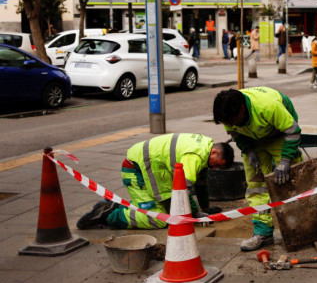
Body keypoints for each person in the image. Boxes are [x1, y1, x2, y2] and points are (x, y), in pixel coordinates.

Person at [76, 134, 234, 230]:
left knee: (160, 207)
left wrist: (205, 208)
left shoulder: (204, 146)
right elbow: (182, 192)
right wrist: (194, 215)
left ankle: (117, 204)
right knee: (158, 219)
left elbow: (201, 184)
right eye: (216, 164)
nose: (214, 168)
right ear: (214, 151)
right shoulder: (196, 156)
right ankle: (109, 216)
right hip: (137, 171)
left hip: (147, 167)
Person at [212, 88, 302, 251]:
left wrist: (285, 161)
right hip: (253, 140)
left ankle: (301, 228)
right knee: (256, 187)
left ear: (241, 109)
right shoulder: (228, 114)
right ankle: (263, 233)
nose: (230, 124)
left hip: (281, 135)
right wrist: (249, 149)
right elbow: (236, 134)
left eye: (232, 120)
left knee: (292, 181)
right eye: (227, 122)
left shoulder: (268, 107)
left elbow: (293, 132)